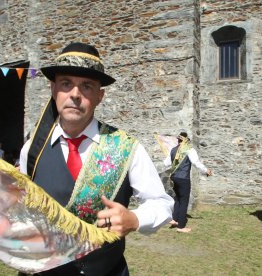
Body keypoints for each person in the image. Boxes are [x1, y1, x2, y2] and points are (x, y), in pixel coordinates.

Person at [18, 42, 174, 275]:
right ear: (53, 90)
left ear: (100, 96)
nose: (75, 94)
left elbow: (162, 203)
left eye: (87, 86)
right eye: (66, 83)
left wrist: (134, 218)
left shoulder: (126, 147)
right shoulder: (32, 150)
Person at [163, 132, 213, 233]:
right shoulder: (189, 149)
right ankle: (181, 227)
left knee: (177, 199)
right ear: (186, 140)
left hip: (174, 177)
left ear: (179, 140)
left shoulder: (173, 150)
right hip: (183, 179)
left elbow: (166, 163)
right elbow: (196, 163)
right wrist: (206, 170)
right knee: (184, 201)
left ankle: (174, 219)